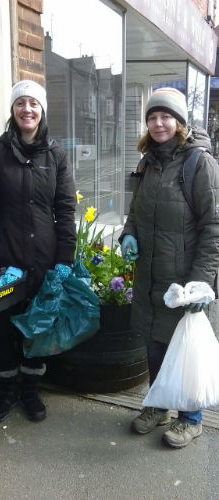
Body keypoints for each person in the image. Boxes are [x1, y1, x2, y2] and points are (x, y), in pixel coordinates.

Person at [0, 80, 76, 424]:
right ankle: (6, 390)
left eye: (33, 103)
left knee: (37, 326)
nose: (27, 109)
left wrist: (64, 260)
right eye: (20, 103)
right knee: (1, 327)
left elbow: (66, 209)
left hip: (43, 259)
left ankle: (30, 388)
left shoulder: (56, 155)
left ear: (42, 111)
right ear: (12, 111)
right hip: (3, 258)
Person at [119, 87, 219, 449]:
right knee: (154, 343)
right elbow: (135, 214)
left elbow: (213, 226)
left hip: (184, 279)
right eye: (152, 117)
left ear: (179, 122)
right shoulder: (147, 162)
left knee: (184, 347)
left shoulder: (199, 163)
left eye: (165, 116)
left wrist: (201, 282)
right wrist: (128, 235)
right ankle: (158, 405)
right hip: (150, 275)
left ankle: (190, 418)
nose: (158, 123)